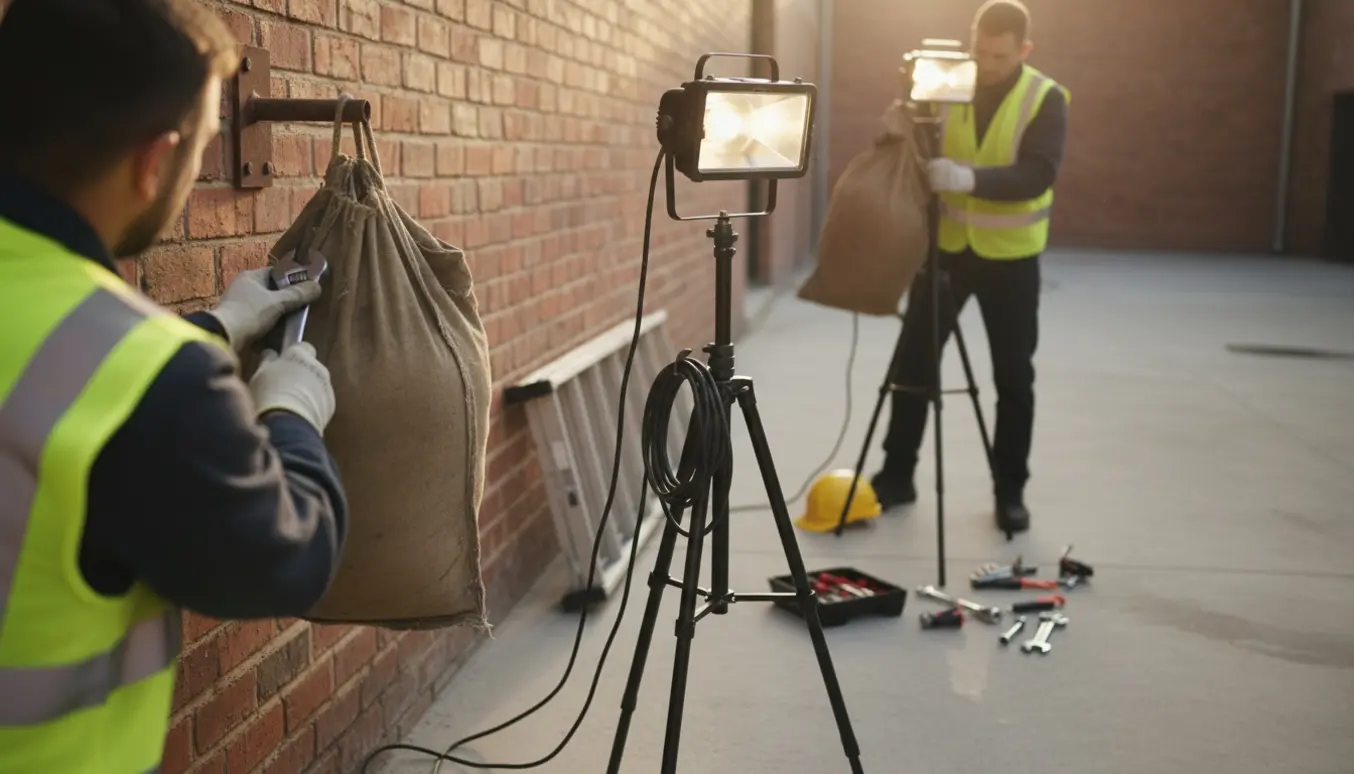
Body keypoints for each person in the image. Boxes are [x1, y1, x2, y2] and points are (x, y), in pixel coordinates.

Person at [0, 1, 348, 771]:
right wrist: (291, 412)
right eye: (199, 150)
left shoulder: (126, 366)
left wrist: (221, 324)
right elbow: (286, 558)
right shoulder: (153, 379)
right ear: (154, 161)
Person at [871, 0, 1069, 534]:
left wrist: (969, 179)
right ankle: (895, 477)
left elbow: (1037, 175)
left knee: (1012, 377)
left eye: (1000, 56)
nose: (986, 64)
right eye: (980, 51)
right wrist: (902, 119)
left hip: (1012, 261)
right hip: (948, 251)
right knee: (913, 364)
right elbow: (910, 142)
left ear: (1024, 50)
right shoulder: (951, 80)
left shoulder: (1045, 99)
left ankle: (1010, 492)